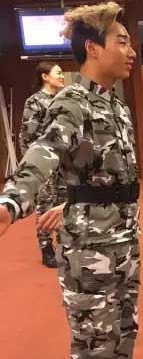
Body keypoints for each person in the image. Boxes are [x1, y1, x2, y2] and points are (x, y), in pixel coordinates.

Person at [0, 2, 139, 359]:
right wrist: (11, 202)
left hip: (124, 242)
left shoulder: (115, 104)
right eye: (122, 42)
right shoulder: (71, 103)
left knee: (123, 336)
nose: (132, 51)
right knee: (95, 347)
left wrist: (71, 200)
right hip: (91, 249)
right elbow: (43, 153)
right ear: (93, 48)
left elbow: (98, 177)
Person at [19, 61, 67, 267]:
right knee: (46, 204)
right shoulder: (35, 102)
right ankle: (46, 247)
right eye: (58, 73)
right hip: (45, 163)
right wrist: (34, 166)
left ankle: (65, 244)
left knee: (65, 202)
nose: (62, 76)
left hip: (64, 163)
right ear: (45, 77)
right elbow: (26, 136)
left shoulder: (64, 99)